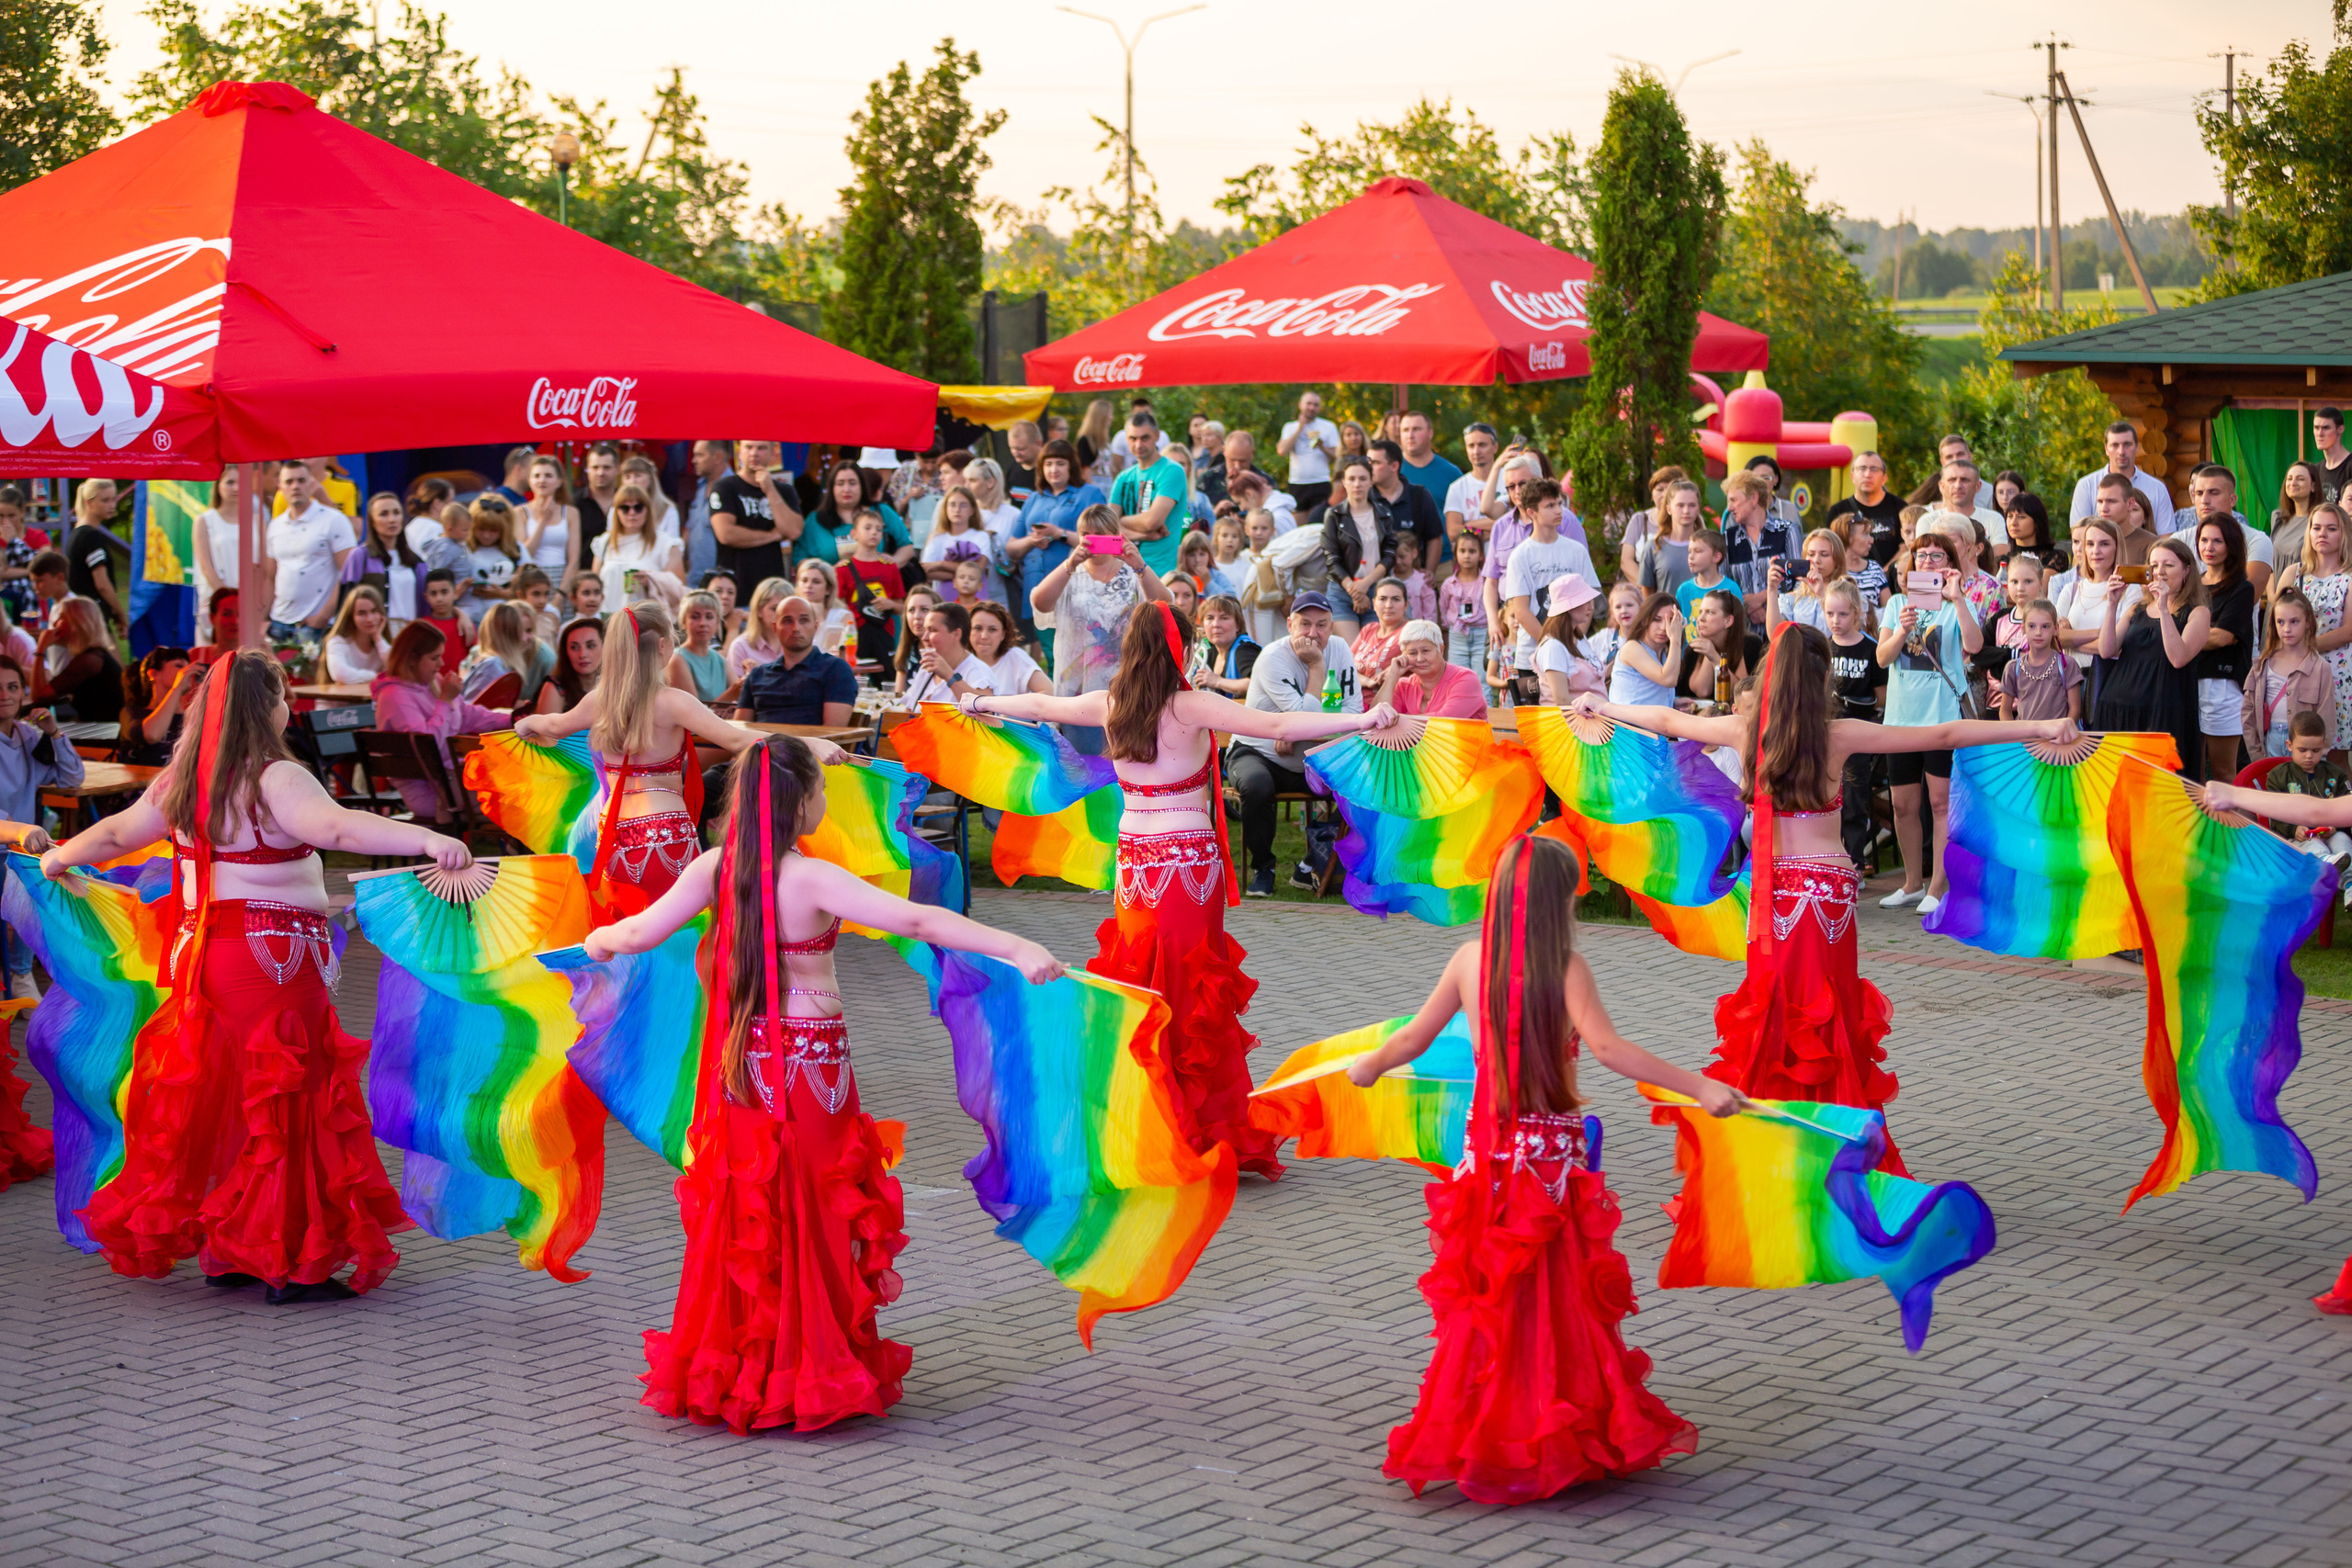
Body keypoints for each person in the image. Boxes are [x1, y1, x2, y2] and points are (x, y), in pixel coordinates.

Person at [587, 735, 1058, 1433]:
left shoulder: (717, 868)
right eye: (820, 790)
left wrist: (592, 944)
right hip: (811, 1070)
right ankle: (804, 1368)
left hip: (743, 1068)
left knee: (753, 1206)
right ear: (801, 801)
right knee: (808, 1206)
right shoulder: (807, 877)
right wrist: (1018, 945)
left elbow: (633, 935)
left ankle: (749, 1365)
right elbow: (919, 918)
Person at [49, 652, 468, 1301]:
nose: (287, 706)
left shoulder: (184, 779)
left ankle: (234, 1250)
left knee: (230, 1096)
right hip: (269, 958)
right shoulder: (277, 777)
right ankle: (286, 1258)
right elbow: (333, 826)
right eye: (281, 695)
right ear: (264, 704)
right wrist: (428, 840)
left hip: (206, 958)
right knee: (285, 1099)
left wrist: (59, 856)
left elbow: (113, 835)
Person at [1579, 628, 2079, 1158]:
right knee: (1830, 1012)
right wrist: (2044, 724)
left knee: (1776, 1010)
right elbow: (1947, 734)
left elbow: (1663, 720)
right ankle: (1834, 1136)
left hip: (1773, 895)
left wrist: (1600, 703)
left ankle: (1772, 1137)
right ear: (1820, 679)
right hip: (1830, 894)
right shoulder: (1838, 736)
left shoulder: (1746, 732)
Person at [1352, 834, 1736, 1505]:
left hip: (1489, 1163)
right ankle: (1552, 1422)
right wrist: (1698, 1086)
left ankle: (1493, 1425)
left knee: (1492, 1301)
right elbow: (1611, 1048)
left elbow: (1414, 1037)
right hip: (1550, 1163)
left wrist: (1371, 1064)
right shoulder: (1567, 968)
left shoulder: (1470, 960)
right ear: (1561, 904)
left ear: (1499, 894)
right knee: (1557, 1299)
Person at [962, 600, 1399, 1171]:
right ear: (1183, 648)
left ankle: (1142, 1121)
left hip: (1137, 865)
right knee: (1191, 989)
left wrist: (975, 701)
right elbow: (1278, 725)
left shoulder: (1110, 704)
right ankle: (1192, 1127)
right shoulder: (1191, 705)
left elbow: (1042, 705)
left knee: (1141, 986)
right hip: (1189, 865)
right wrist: (1362, 719)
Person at [519, 603, 764, 917]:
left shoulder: (598, 701)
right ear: (663, 646)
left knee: (628, 935)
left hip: (613, 834)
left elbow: (552, 724)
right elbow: (738, 740)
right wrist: (810, 745)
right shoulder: (674, 702)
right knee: (680, 937)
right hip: (667, 833)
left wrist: (525, 725)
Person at [1874, 528, 1983, 914]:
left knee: (1940, 804)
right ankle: (1912, 883)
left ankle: (1939, 884)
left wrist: (1957, 599)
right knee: (1903, 805)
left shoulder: (1957, 604)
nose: (1929, 562)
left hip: (1942, 720)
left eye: (1938, 556)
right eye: (1922, 556)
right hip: (1901, 719)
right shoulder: (1899, 603)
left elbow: (1974, 647)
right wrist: (1904, 627)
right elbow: (1883, 659)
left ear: (1951, 565)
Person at [1227, 591, 1360, 897]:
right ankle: (1264, 867)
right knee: (1257, 786)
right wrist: (1316, 667)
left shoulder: (1340, 649)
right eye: (1305, 624)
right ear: (1289, 624)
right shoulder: (1273, 658)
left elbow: (1354, 716)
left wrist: (1296, 732)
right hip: (1256, 753)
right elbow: (1302, 719)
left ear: (1332, 625)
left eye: (1322, 625)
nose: (1313, 633)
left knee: (1363, 784)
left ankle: (1312, 864)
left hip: (1311, 758)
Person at [1030, 509, 1170, 756]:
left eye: (1101, 535)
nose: (1092, 541)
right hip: (1076, 693)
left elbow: (1165, 607)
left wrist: (1139, 565)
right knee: (1083, 766)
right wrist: (1071, 563)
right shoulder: (1069, 573)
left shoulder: (1132, 573)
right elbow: (1040, 603)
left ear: (1116, 536)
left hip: (1125, 690)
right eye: (1086, 534)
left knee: (1123, 766)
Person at [2094, 536, 2211, 779]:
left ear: (2187, 570)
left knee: (2161, 787)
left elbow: (2178, 658)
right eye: (2154, 565)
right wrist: (2112, 605)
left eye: (2169, 565)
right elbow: (2106, 650)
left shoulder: (2197, 613)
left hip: (2163, 711)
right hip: (2119, 707)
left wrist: (2164, 608)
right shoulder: (2135, 609)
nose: (2160, 572)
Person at [0, 658, 79, 1009]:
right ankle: (17, 973)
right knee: (26, 877)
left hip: (25, 845)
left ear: (23, 694)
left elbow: (71, 779)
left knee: (57, 877)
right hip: (11, 840)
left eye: (12, 687)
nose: (4, 695)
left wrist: (54, 733)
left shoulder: (29, 735)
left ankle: (22, 972)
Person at [371, 622, 509, 822]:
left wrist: (511, 719)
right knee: (515, 791)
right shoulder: (394, 696)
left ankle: (513, 844)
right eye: (434, 658)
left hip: (452, 783)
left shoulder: (430, 681)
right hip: (431, 794)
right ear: (411, 659)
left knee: (517, 784)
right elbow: (429, 746)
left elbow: (466, 714)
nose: (441, 663)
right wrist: (445, 701)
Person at [1499, 477, 1601, 704]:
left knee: (1576, 716)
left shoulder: (1576, 550)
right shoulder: (1520, 555)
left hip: (1576, 658)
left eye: (1559, 504)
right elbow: (1522, 611)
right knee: (1539, 726)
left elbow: (1589, 601)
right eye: (1549, 506)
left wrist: (1573, 642)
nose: (1558, 510)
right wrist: (1553, 644)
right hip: (1532, 658)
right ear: (1531, 512)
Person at [1007, 438, 1105, 662]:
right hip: (1037, 586)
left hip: (1075, 588)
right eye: (1048, 464)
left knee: (1077, 659)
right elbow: (1011, 548)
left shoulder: (1089, 494)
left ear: (1071, 465)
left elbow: (1100, 542)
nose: (1054, 469)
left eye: (1060, 463)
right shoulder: (1034, 499)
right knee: (1052, 656)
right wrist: (1032, 541)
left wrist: (1060, 534)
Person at [2273, 502, 2352, 749]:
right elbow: (2275, 621)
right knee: (2296, 744)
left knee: (2333, 749)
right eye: (2316, 527)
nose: (2322, 534)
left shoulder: (2349, 577)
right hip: (2294, 669)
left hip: (2336, 672)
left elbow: (2348, 631)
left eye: (2331, 528)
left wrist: (2305, 647)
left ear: (2344, 534)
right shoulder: (2293, 573)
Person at [266, 460, 356, 647]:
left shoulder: (334, 520)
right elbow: (269, 576)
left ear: (312, 484)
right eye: (289, 482)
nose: (295, 486)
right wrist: (261, 619)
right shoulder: (275, 525)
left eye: (301, 480)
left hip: (317, 625)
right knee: (276, 676)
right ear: (280, 487)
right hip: (278, 622)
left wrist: (323, 616)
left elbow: (348, 572)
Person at [2194, 515, 2257, 783]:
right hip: (2187, 682)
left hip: (2222, 687)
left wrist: (2183, 639)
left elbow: (2222, 637)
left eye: (2217, 541)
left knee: (2223, 772)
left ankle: (2230, 825)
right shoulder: (2191, 584)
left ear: (2231, 545)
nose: (2209, 546)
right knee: (2190, 770)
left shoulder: (2241, 588)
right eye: (2204, 540)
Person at [2251, 712, 2352, 876]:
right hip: (2297, 839)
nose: (2309, 756)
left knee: (2342, 842)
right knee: (2315, 846)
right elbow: (2273, 815)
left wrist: (2336, 827)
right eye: (2302, 750)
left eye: (2316, 750)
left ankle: (2349, 883)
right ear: (2289, 745)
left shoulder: (2336, 774)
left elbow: (2347, 808)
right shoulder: (2278, 776)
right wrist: (2293, 829)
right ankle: (2325, 863)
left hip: (2331, 833)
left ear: (2324, 745)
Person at [738, 597, 859, 726]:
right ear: (775, 628)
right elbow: (739, 730)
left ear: (815, 626)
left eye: (804, 620)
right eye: (787, 621)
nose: (796, 628)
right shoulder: (757, 676)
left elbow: (833, 734)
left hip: (811, 745)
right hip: (762, 744)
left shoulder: (835, 670)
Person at [2244, 590, 2335, 761]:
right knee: (2274, 787)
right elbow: (2248, 712)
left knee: (2299, 788)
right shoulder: (2262, 665)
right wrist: (2256, 755)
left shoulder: (2321, 667)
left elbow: (2327, 719)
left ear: (2308, 621)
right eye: (2280, 622)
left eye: (2294, 621)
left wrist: (2318, 756)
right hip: (2270, 740)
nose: (2287, 629)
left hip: (2305, 746)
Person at [1317, 456, 1400, 636]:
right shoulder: (1334, 515)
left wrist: (1366, 584)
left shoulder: (1383, 513)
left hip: (1377, 589)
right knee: (1352, 653)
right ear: (1344, 482)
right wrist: (1355, 591)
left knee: (1375, 652)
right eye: (1352, 479)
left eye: (1363, 479)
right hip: (1342, 590)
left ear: (1371, 481)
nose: (1357, 484)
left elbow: (1390, 554)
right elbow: (1332, 558)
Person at [710, 440, 802, 593]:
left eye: (761, 448)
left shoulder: (785, 490)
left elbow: (793, 531)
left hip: (772, 588)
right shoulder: (725, 486)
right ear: (739, 452)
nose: (754, 453)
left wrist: (770, 490)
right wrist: (773, 536)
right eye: (749, 447)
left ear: (773, 453)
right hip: (734, 588)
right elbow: (726, 534)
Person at [1106, 411, 1183, 577]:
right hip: (1123, 573)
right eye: (1133, 438)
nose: (1138, 444)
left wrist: (1122, 520)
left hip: (1161, 573)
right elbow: (1107, 531)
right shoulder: (1123, 477)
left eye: (1145, 438)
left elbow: (1152, 522)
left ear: (1157, 436)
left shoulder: (1172, 470)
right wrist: (1142, 535)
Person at [1717, 468, 1802, 618]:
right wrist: (1747, 610)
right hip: (1742, 628)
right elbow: (1722, 586)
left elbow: (1799, 581)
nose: (1729, 508)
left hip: (1783, 625)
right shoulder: (1727, 539)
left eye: (1734, 500)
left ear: (1754, 498)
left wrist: (1763, 600)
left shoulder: (1787, 531)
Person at [593, 480, 685, 613]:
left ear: (647, 510)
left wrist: (651, 579)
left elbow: (679, 590)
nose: (632, 513)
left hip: (646, 621)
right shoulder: (604, 542)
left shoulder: (666, 543)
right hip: (608, 619)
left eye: (638, 507)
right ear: (616, 511)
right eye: (625, 508)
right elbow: (593, 584)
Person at [838, 511, 908, 672]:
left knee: (886, 675)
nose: (874, 533)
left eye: (878, 529)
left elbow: (901, 606)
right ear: (854, 533)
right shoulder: (843, 569)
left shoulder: (890, 567)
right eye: (868, 528)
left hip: (883, 632)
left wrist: (888, 604)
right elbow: (838, 607)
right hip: (854, 633)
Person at [31, 599, 122, 724]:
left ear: (77, 624)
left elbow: (38, 697)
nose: (55, 623)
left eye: (62, 617)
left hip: (105, 736)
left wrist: (41, 647)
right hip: (101, 729)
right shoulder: (95, 655)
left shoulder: (88, 661)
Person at [1994, 599, 2082, 728]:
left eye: (2045, 626)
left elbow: (2075, 710)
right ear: (2023, 628)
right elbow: (2005, 711)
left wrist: (2063, 732)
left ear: (2055, 629)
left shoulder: (2066, 664)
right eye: (2032, 626)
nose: (2038, 632)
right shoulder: (2013, 668)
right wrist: (2015, 736)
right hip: (2024, 741)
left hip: (2057, 740)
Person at [2067, 420, 2172, 525]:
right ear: (2106, 449)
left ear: (2136, 447)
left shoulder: (2157, 489)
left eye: (2127, 444)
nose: (2121, 451)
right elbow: (2079, 534)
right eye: (2115, 445)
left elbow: (2166, 537)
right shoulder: (2087, 486)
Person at [1377, 618, 1487, 717]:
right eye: (1412, 653)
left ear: (1441, 650)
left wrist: (1397, 720)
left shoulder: (1466, 679)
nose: (1420, 659)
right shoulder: (1403, 686)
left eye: (1426, 651)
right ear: (1404, 656)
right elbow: (1377, 719)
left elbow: (1444, 721)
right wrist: (1392, 675)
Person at [1677, 589, 1761, 711]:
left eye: (1710, 612)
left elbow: (1742, 695)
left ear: (1728, 621)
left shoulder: (1750, 644)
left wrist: (1716, 659)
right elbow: (1703, 691)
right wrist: (1709, 651)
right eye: (1700, 612)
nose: (1701, 618)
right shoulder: (1693, 650)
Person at [345, 491, 422, 623]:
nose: (392, 519)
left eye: (396, 513)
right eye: (383, 514)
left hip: (411, 628)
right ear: (372, 521)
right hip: (377, 629)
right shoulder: (360, 556)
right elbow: (346, 600)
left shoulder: (416, 560)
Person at [461, 600, 554, 710]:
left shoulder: (545, 656)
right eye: (517, 632)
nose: (523, 638)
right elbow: (472, 709)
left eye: (529, 631)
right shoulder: (493, 664)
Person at [63, 478, 127, 635]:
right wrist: (120, 613)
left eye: (114, 499)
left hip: (84, 613)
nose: (112, 505)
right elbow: (102, 584)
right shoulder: (90, 536)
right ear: (88, 502)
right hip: (92, 614)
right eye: (105, 500)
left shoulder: (78, 533)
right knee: (111, 659)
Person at [899, 601, 992, 708]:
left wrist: (950, 677)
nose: (924, 638)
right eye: (925, 630)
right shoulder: (927, 668)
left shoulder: (978, 672)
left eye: (933, 630)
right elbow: (908, 711)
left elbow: (987, 714)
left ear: (956, 634)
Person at [1368, 439, 1445, 561]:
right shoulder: (1364, 497)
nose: (1369, 468)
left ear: (1394, 466)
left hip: (1411, 576)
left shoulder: (1419, 496)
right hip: (1373, 576)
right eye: (1368, 462)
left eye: (1376, 463)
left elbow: (1435, 538)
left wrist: (1428, 573)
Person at [1766, 530, 1852, 636]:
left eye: (1824, 555)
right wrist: (1772, 590)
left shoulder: (1850, 595)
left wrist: (1821, 594)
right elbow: (1775, 635)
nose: (1816, 560)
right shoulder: (1792, 599)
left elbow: (1847, 634)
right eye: (1811, 554)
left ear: (1838, 559)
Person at [1534, 577, 1605, 705]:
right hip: (1572, 723)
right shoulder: (1553, 647)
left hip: (1595, 719)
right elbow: (1562, 700)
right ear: (1569, 607)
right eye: (1585, 601)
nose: (1591, 607)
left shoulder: (1579, 638)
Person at [921, 485, 999, 599]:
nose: (957, 510)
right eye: (952, 505)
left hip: (975, 598)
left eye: (963, 505)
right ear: (945, 508)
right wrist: (967, 576)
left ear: (972, 510)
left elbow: (978, 568)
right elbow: (925, 571)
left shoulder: (981, 536)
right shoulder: (937, 538)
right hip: (944, 597)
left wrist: (940, 564)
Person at [1827, 451, 1904, 567]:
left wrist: (1882, 573)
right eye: (1862, 468)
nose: (1868, 474)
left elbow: (1907, 547)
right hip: (1848, 578)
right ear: (1852, 476)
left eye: (1874, 469)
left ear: (1884, 478)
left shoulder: (1900, 507)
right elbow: (1831, 548)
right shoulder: (1838, 511)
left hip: (1891, 579)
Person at [1609, 592, 1685, 708]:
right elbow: (1668, 679)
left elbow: (1648, 695)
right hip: (1628, 725)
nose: (1664, 627)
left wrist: (1673, 702)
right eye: (1657, 620)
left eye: (1670, 621)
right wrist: (1676, 639)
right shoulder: (1631, 648)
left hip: (1652, 724)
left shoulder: (1665, 651)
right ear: (1644, 620)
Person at [190, 472, 241, 640]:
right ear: (218, 485)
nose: (236, 488)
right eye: (230, 482)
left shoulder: (257, 519)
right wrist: (228, 599)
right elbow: (206, 566)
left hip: (249, 602)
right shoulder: (205, 520)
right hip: (217, 599)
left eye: (241, 482)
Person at [1640, 479, 1708, 601]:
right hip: (1667, 616)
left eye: (1692, 505)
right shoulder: (1654, 547)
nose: (1686, 511)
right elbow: (1647, 591)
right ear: (1668, 509)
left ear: (1698, 508)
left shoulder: (1709, 547)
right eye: (1680, 505)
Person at [966, 601, 1050, 697]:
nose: (984, 636)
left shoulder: (1015, 657)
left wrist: (1009, 708)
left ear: (1003, 634)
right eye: (978, 628)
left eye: (992, 629)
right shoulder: (962, 661)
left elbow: (1048, 691)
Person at [457, 495, 520, 623]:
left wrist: (503, 594)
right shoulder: (460, 548)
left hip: (502, 620)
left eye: (493, 530)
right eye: (481, 529)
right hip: (467, 620)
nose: (486, 535)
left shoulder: (516, 549)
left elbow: (530, 587)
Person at [1395, 410, 1461, 529]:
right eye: (1405, 430)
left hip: (1444, 547)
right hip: (1400, 546)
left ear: (1430, 433)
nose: (1410, 435)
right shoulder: (1392, 471)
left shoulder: (1452, 473)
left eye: (1416, 429)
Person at [1278, 390, 1341, 513]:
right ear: (1300, 404)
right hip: (1297, 482)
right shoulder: (1290, 427)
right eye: (1309, 404)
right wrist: (1300, 428)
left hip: (1321, 481)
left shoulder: (1328, 426)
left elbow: (1337, 457)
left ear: (1319, 408)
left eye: (1316, 405)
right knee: (1299, 526)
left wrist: (1322, 447)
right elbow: (1282, 451)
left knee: (1319, 523)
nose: (1312, 408)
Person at [1442, 423, 1500, 557]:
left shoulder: (1510, 480)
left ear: (1495, 447)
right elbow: (1453, 532)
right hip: (1472, 569)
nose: (1476, 451)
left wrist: (1468, 525)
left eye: (1482, 445)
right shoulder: (1457, 487)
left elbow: (1517, 521)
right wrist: (1499, 528)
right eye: (1471, 446)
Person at [667, 590, 733, 705]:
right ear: (683, 622)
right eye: (695, 617)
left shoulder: (719, 659)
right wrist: (732, 693)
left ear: (718, 623)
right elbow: (693, 712)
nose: (702, 623)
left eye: (709, 617)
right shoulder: (677, 660)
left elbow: (741, 690)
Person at [517, 453, 578, 580]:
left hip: (560, 578)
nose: (542, 480)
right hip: (530, 579)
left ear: (559, 481)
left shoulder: (571, 512)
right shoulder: (519, 512)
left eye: (548, 476)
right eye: (536, 476)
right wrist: (543, 521)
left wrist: (561, 594)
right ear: (530, 480)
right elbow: (524, 555)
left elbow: (574, 561)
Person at [726, 576, 793, 685]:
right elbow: (736, 697)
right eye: (775, 609)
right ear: (759, 610)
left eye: (787, 609)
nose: (783, 615)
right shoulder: (741, 647)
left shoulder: (801, 644)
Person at [683, 439, 733, 583]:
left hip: (721, 584)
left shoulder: (734, 488)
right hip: (694, 580)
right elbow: (690, 530)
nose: (693, 460)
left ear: (717, 457)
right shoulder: (701, 487)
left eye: (699, 455)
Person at [322, 584, 393, 684]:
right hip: (343, 699)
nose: (370, 619)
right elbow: (340, 674)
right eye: (362, 613)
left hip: (372, 699)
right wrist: (377, 676)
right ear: (351, 617)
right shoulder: (337, 642)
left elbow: (396, 669)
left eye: (374, 611)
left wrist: (378, 639)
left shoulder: (382, 644)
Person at [1440, 531, 1488, 673]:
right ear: (1455, 554)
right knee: (1457, 675)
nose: (1467, 555)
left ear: (1480, 555)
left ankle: (1483, 697)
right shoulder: (1449, 584)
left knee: (1482, 678)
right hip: (1457, 635)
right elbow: (1443, 607)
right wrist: (1449, 624)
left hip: (1482, 633)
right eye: (1462, 551)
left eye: (1472, 551)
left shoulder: (1487, 582)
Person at [1352, 580, 1413, 694]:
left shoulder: (1411, 632)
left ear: (1406, 605)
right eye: (1383, 599)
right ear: (1374, 604)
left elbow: (1420, 660)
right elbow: (1346, 666)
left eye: (1396, 599)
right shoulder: (1368, 629)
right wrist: (1368, 682)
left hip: (1383, 704)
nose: (1389, 605)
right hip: (1353, 700)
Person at [538, 616, 605, 716]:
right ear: (566, 652)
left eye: (591, 646)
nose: (582, 654)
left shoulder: (616, 684)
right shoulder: (555, 688)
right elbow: (544, 731)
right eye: (574, 647)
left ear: (606, 647)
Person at [889, 585, 942, 705]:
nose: (917, 616)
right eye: (911, 610)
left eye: (924, 609)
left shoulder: (945, 652)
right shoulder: (907, 649)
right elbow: (899, 695)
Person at [414, 569, 469, 676]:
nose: (439, 598)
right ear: (426, 597)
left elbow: (473, 656)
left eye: (444, 592)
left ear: (455, 593)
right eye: (433, 594)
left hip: (460, 684)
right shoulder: (422, 627)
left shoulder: (464, 625)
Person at [794, 558, 853, 658]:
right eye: (804, 580)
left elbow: (838, 655)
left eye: (816, 582)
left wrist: (820, 621)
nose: (808, 586)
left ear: (828, 589)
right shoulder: (789, 615)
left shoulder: (843, 616)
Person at [1387, 531, 1435, 624]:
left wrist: (1428, 633)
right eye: (1394, 557)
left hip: (1417, 633)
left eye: (1402, 557)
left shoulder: (1423, 581)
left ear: (1414, 553)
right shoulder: (1387, 579)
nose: (1398, 561)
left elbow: (1430, 613)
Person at [2314, 406, 2352, 506]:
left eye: (2326, 428)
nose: (2319, 433)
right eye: (2316, 428)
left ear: (2340, 429)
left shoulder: (2350, 466)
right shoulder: (2316, 470)